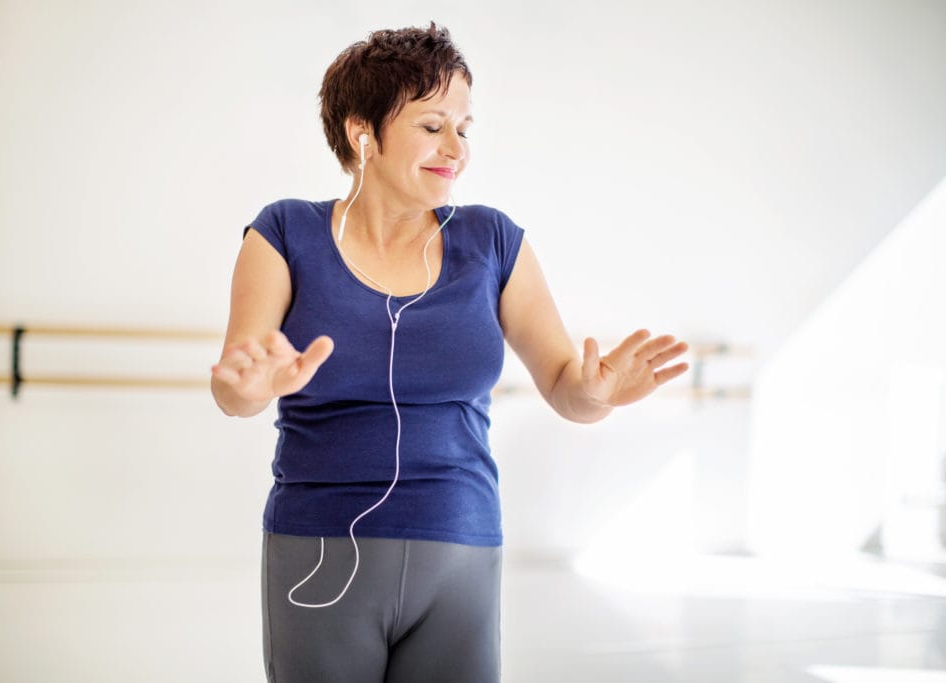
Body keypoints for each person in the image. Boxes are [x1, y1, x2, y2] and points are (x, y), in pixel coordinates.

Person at [211, 22, 689, 683]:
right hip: (319, 550)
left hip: (460, 548)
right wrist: (250, 384)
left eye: (465, 128)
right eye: (433, 126)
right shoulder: (284, 232)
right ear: (363, 133)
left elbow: (566, 386)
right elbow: (237, 387)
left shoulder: (492, 240)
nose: (456, 148)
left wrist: (597, 393)